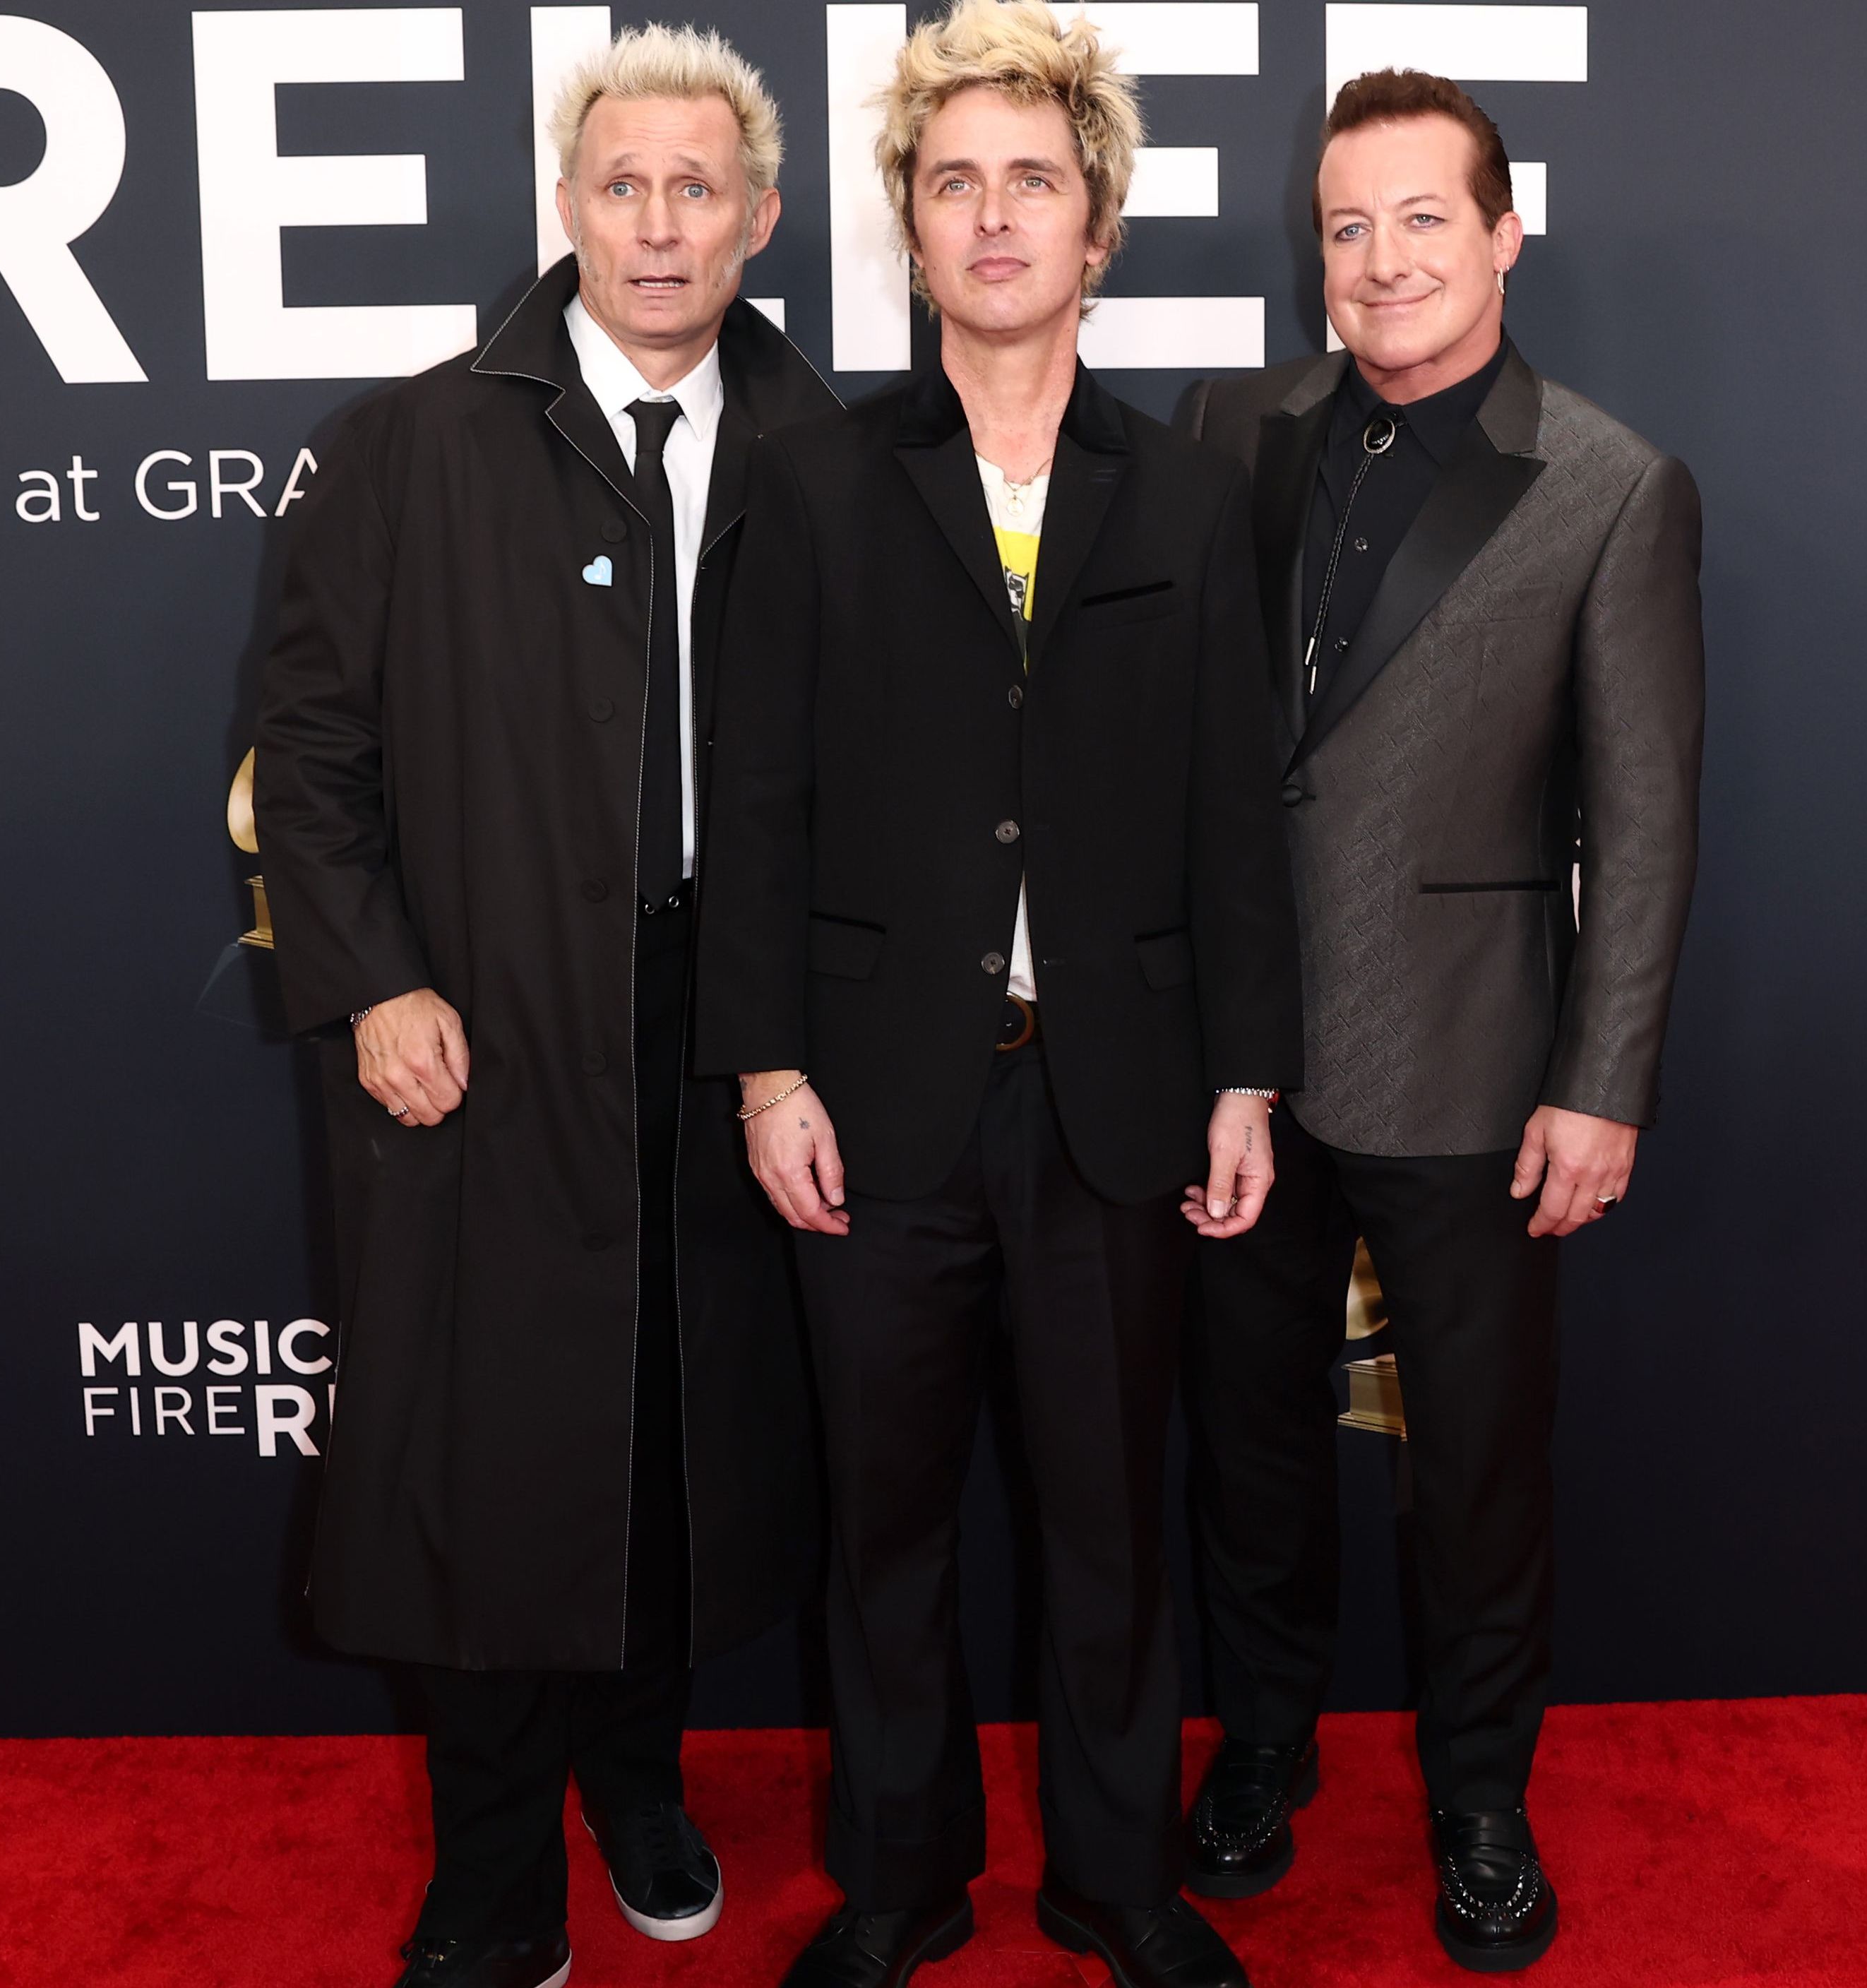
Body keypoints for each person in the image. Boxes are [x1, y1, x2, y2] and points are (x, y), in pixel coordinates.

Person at [693, 7, 1300, 1987]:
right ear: (909, 225)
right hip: (874, 1093)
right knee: (886, 1531)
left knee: (1112, 1525)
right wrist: (768, 1065)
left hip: (1117, 1094)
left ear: (1099, 223)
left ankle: (1118, 1882)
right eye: (953, 181)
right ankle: (900, 1881)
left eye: (1033, 177)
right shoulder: (810, 479)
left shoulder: (1198, 499)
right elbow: (755, 796)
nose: (994, 213)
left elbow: (1235, 813)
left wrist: (1246, 1084)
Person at [251, 29, 835, 1988]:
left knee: (678, 1444)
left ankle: (640, 1777)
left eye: (698, 189)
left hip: (732, 1030)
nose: (658, 224)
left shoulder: (827, 454)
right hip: (483, 1024)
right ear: (566, 208)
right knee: (496, 1468)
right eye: (622, 184)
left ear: (759, 217)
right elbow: (308, 752)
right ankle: (494, 1870)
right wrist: (376, 979)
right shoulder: (413, 445)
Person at [1169, 67, 1707, 1975]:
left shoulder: (1611, 485)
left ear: (1502, 234)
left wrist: (1603, 1082)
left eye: (1420, 220)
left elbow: (1642, 819)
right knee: (1249, 1448)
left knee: (1473, 1469)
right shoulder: (1235, 424)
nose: (1381, 261)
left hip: (1476, 1065)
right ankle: (1261, 1750)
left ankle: (1480, 1798)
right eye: (1345, 226)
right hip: (1242, 1061)